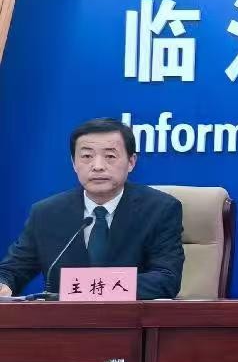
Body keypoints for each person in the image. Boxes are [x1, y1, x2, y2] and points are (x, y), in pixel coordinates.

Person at [0, 118, 183, 299]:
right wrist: (4, 284)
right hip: (63, 317)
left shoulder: (160, 210)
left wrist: (88, 287)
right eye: (87, 156)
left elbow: (167, 279)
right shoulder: (46, 213)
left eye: (110, 156)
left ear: (131, 162)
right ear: (74, 163)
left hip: (131, 317)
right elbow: (12, 270)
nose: (98, 166)